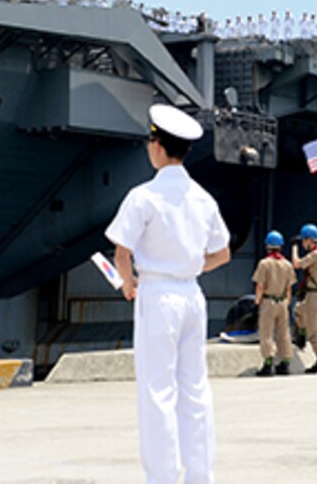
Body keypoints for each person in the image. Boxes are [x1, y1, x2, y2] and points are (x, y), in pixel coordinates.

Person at [106, 104, 232, 484]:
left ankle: (161, 479)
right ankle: (200, 477)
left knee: (157, 394)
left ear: (158, 146)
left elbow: (121, 252)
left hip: (158, 295)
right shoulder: (203, 198)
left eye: (151, 139)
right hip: (193, 294)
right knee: (195, 392)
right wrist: (191, 267)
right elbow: (222, 254)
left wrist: (128, 283)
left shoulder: (143, 195)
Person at [252, 230, 296, 377]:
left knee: (267, 333)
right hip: (282, 301)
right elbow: (289, 287)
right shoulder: (287, 264)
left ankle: (268, 363)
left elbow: (260, 285)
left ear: (267, 247)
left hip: (268, 301)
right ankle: (285, 363)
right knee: (284, 333)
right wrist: (287, 302)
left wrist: (257, 301)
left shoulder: (264, 264)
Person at [292, 223, 317, 375]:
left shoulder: (316, 255)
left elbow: (297, 264)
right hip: (314, 295)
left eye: (303, 241)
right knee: (298, 311)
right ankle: (301, 337)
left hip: (314, 296)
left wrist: (294, 248)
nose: (303, 244)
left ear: (309, 240)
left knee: (314, 331)